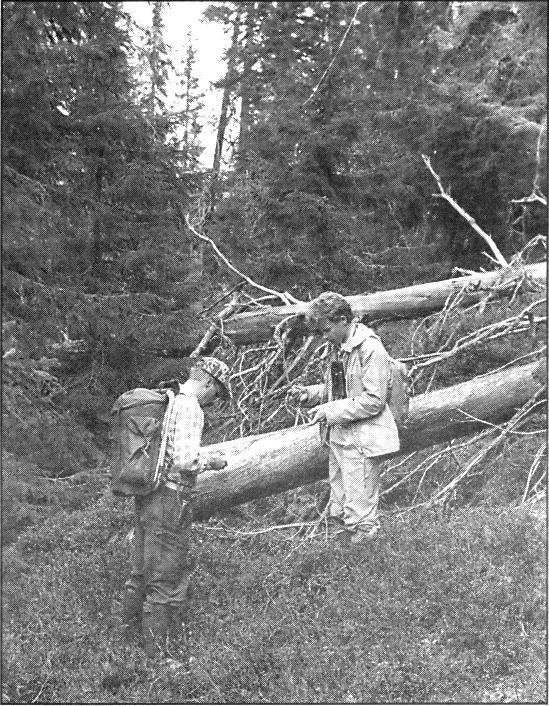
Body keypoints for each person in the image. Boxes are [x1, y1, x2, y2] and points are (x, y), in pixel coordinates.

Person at [121, 356, 231, 659]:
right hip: (171, 500)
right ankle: (158, 658)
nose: (215, 400)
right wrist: (212, 460)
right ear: (209, 382)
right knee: (166, 580)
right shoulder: (191, 408)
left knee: (140, 573)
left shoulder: (169, 399)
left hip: (148, 494)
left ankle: (120, 642)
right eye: (218, 393)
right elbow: (185, 460)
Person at [291, 292, 399, 544]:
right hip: (340, 438)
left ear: (342, 320)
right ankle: (346, 559)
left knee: (361, 514)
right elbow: (341, 390)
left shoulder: (370, 348)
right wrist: (310, 394)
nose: (324, 336)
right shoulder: (338, 347)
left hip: (362, 441)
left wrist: (329, 412)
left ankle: (367, 561)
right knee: (340, 504)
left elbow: (374, 400)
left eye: (327, 330)